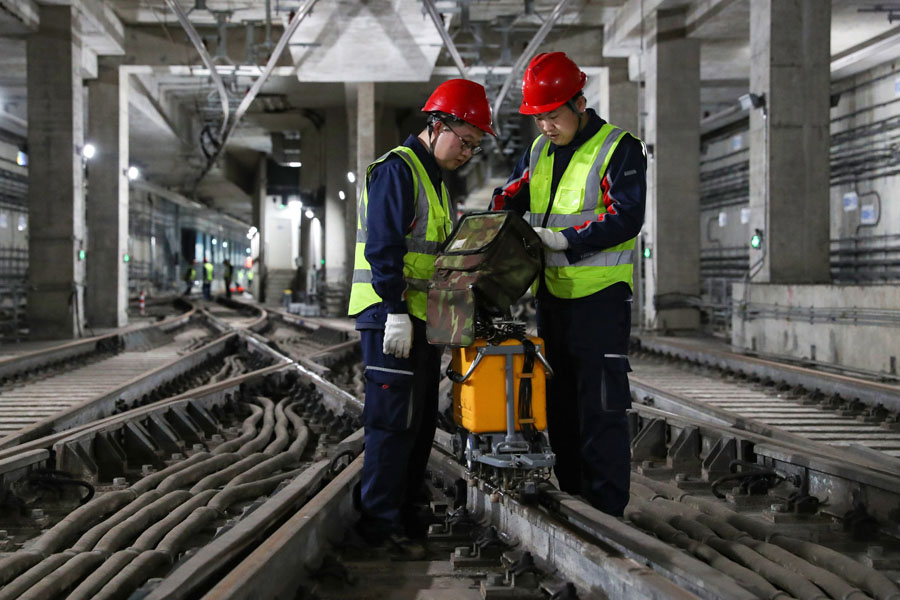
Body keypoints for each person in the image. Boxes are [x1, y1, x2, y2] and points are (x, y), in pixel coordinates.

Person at [490, 52, 646, 517]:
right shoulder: (539, 151)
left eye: (553, 116)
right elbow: (510, 195)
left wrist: (566, 239)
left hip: (600, 301)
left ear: (580, 103)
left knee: (600, 407)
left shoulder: (619, 148)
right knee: (559, 405)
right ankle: (575, 500)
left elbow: (626, 215)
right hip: (553, 300)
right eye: (538, 118)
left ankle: (606, 511)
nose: (546, 127)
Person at [347, 79, 495, 554]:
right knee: (392, 424)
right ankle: (379, 525)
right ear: (437, 125)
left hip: (420, 320)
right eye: (464, 140)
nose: (467, 152)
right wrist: (394, 311)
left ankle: (407, 513)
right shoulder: (398, 169)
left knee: (419, 424)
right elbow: (383, 248)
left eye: (474, 146)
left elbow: (435, 259)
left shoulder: (434, 180)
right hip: (391, 318)